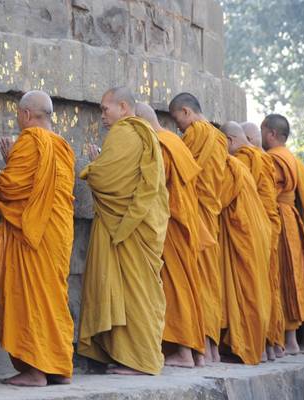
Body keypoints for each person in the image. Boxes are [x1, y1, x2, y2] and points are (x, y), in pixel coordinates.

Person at [78, 88, 169, 375]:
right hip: (141, 224)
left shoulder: (125, 132)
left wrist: (90, 169)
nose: (102, 115)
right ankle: (133, 356)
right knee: (138, 291)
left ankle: (140, 361)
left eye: (105, 109)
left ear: (123, 107)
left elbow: (107, 179)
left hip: (128, 226)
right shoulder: (144, 135)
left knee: (136, 292)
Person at [0, 90, 76, 386]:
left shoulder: (29, 142)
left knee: (33, 298)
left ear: (26, 115)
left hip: (34, 236)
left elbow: (10, 188)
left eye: (18, 116)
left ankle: (36, 371)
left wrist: (7, 166)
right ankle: (58, 367)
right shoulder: (63, 146)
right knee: (53, 297)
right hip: (58, 235)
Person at [135, 103, 206, 368]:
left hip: (171, 223)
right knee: (185, 285)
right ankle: (194, 351)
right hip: (184, 221)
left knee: (175, 286)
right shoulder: (175, 142)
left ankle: (184, 353)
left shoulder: (161, 145)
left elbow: (153, 183)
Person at [168, 92, 227, 362]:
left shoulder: (197, 133)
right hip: (211, 214)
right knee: (209, 281)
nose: (177, 126)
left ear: (186, 112)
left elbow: (181, 171)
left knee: (193, 280)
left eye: (176, 119)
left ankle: (195, 348)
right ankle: (209, 348)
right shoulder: (220, 138)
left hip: (193, 214)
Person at [222, 121, 284, 361]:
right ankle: (270, 345)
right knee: (265, 285)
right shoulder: (263, 158)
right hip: (267, 225)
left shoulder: (243, 160)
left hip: (249, 225)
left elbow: (228, 193)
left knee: (251, 286)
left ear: (232, 140)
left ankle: (252, 345)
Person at [263, 114, 304, 355]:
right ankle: (303, 341)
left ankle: (289, 340)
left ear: (271, 134)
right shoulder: (295, 160)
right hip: (298, 222)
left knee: (284, 279)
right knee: (299, 278)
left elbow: (266, 191)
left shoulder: (273, 158)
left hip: (280, 219)